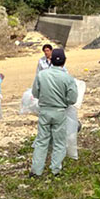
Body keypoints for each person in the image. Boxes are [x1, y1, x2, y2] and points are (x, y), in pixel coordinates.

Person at [30, 48, 79, 177]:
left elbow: (35, 93)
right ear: (64, 61)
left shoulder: (42, 75)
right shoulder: (68, 78)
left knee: (41, 141)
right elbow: (72, 99)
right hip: (59, 111)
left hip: (44, 111)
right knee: (59, 142)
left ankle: (36, 171)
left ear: (50, 60)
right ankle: (55, 169)